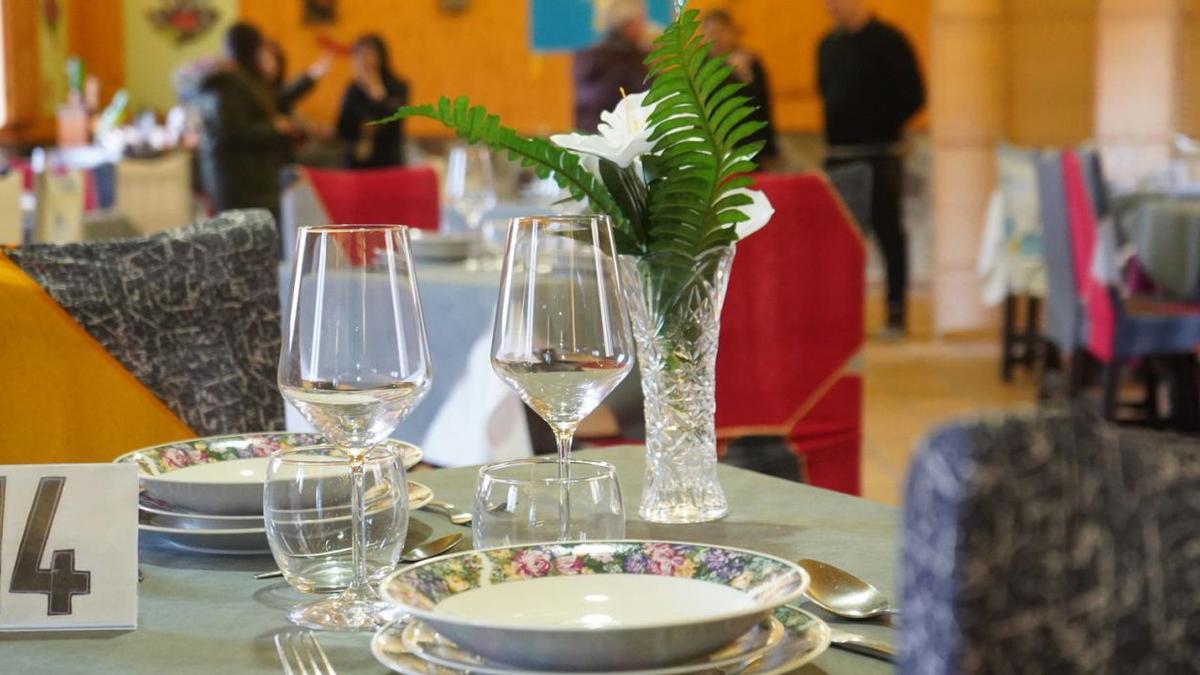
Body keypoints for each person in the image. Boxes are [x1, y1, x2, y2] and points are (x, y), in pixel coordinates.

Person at [817, 0, 925, 337]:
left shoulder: (889, 40)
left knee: (888, 232)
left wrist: (880, 121)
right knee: (841, 239)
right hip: (839, 155)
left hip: (880, 153)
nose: (831, 7)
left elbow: (915, 95)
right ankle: (841, 313)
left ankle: (895, 310)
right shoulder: (827, 45)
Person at [195, 22, 291, 221]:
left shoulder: (240, 79)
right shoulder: (228, 84)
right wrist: (273, 128)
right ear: (252, 49)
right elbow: (235, 132)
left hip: (246, 179)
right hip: (240, 183)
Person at [702, 10, 780, 169]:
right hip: (713, 151)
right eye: (709, 33)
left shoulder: (750, 61)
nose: (715, 39)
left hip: (750, 146)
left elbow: (762, 107)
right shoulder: (700, 68)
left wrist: (744, 76)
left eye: (719, 32)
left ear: (732, 32)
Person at [572, 0, 649, 131]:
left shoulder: (589, 56)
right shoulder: (631, 60)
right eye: (640, 22)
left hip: (586, 135)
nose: (643, 27)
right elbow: (650, 97)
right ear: (628, 25)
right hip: (620, 138)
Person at [336, 34, 409, 168]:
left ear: (381, 58)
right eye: (360, 56)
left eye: (370, 55)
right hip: (355, 164)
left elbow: (394, 123)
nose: (365, 61)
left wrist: (378, 94)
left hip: (387, 163)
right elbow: (342, 129)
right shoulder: (352, 90)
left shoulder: (397, 87)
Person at [258, 40, 331, 116]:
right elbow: (276, 101)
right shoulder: (253, 90)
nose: (263, 65)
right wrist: (309, 77)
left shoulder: (277, 88)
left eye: (268, 60)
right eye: (261, 60)